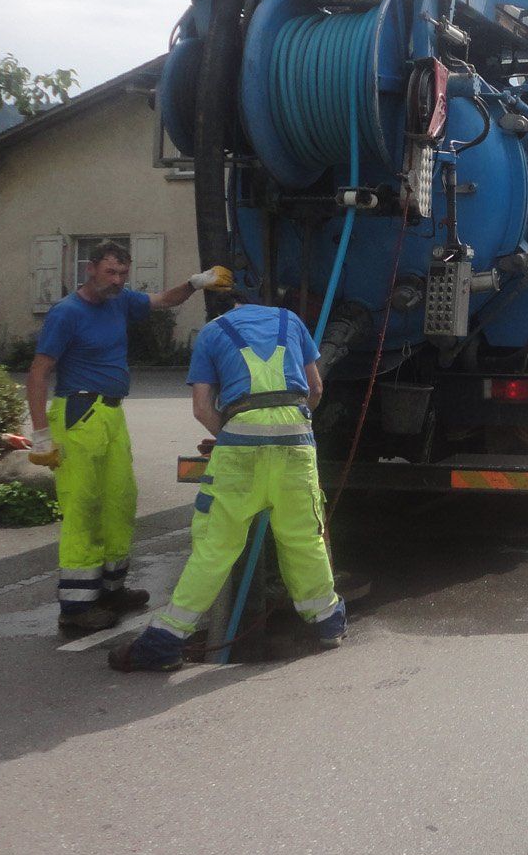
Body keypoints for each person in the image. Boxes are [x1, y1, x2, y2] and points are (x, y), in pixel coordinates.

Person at [108, 298, 346, 673]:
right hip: (295, 442)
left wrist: (231, 436)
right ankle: (329, 624)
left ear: (223, 308)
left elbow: (202, 407)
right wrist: (288, 428)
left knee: (216, 547)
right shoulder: (291, 320)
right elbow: (314, 389)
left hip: (240, 448)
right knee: (303, 537)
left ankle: (165, 641)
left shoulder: (213, 331)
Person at [26, 242, 231, 637]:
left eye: (123, 274)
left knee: (120, 501)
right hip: (79, 413)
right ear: (90, 269)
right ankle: (76, 608)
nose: (117, 281)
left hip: (111, 414)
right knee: (84, 506)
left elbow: (163, 300)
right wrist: (40, 435)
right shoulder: (66, 313)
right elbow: (38, 374)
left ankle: (111, 591)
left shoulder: (120, 302)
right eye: (110, 273)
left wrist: (196, 283)